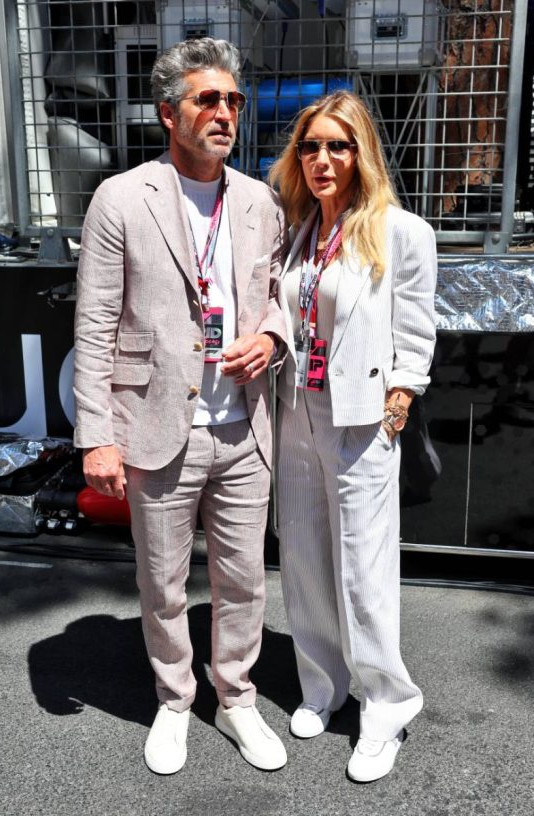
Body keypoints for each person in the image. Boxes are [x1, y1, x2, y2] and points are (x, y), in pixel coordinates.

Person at [73, 38, 289, 774]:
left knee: (244, 580)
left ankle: (235, 699)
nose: (224, 112)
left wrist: (271, 337)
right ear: (169, 113)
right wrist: (97, 437)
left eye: (232, 100)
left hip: (242, 426)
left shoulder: (260, 199)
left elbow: (283, 301)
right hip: (156, 427)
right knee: (162, 583)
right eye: (207, 99)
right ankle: (173, 701)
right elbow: (96, 321)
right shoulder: (121, 197)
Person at [269, 90, 437, 782]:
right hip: (295, 410)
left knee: (364, 572)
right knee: (303, 558)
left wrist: (391, 414)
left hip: (361, 418)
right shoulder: (295, 230)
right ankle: (321, 685)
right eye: (309, 146)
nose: (321, 159)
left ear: (361, 152)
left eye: (337, 145)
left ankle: (386, 704)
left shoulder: (401, 231)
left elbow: (414, 336)